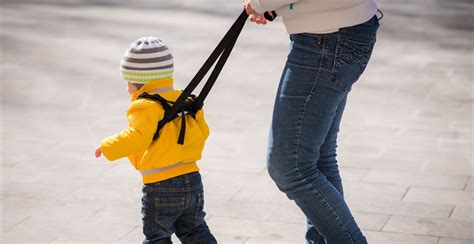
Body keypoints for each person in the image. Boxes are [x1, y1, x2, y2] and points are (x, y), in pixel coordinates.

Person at [244, 0, 381, 243]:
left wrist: (260, 3)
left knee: (288, 166)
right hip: (339, 30)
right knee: (318, 158)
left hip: (328, 38)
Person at [95, 36, 216, 244]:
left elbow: (137, 139)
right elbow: (203, 133)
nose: (127, 88)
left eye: (128, 83)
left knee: (157, 237)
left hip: (161, 186)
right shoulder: (186, 101)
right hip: (193, 180)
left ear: (139, 82)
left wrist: (107, 147)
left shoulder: (144, 106)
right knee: (194, 230)